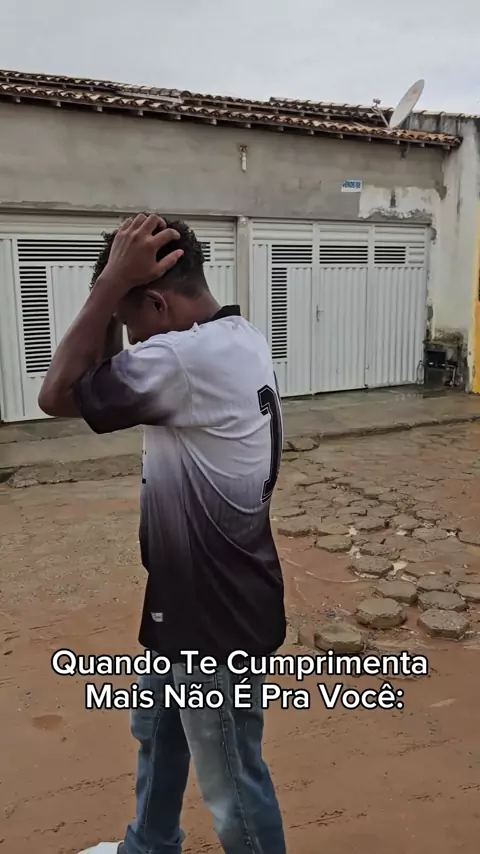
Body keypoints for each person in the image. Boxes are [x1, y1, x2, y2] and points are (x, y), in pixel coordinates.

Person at [38, 214, 287, 854]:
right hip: (195, 594)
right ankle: (147, 846)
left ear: (157, 303)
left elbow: (58, 394)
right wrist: (114, 289)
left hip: (214, 615)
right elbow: (97, 380)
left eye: (130, 325)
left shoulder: (181, 359)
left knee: (233, 783)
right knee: (159, 734)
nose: (129, 344)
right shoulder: (235, 335)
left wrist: (105, 289)